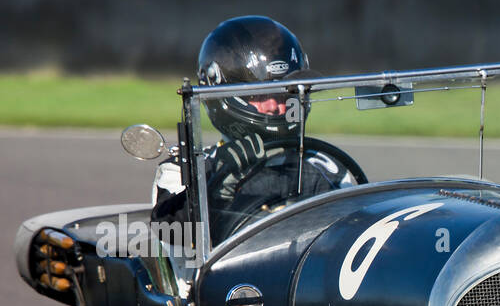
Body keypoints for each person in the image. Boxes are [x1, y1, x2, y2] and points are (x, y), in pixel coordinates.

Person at [152, 16, 361, 253]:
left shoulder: (323, 167)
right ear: (222, 95)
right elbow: (170, 233)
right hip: (221, 286)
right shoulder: (184, 171)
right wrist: (215, 188)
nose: (274, 106)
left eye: (284, 93)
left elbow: (350, 236)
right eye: (258, 95)